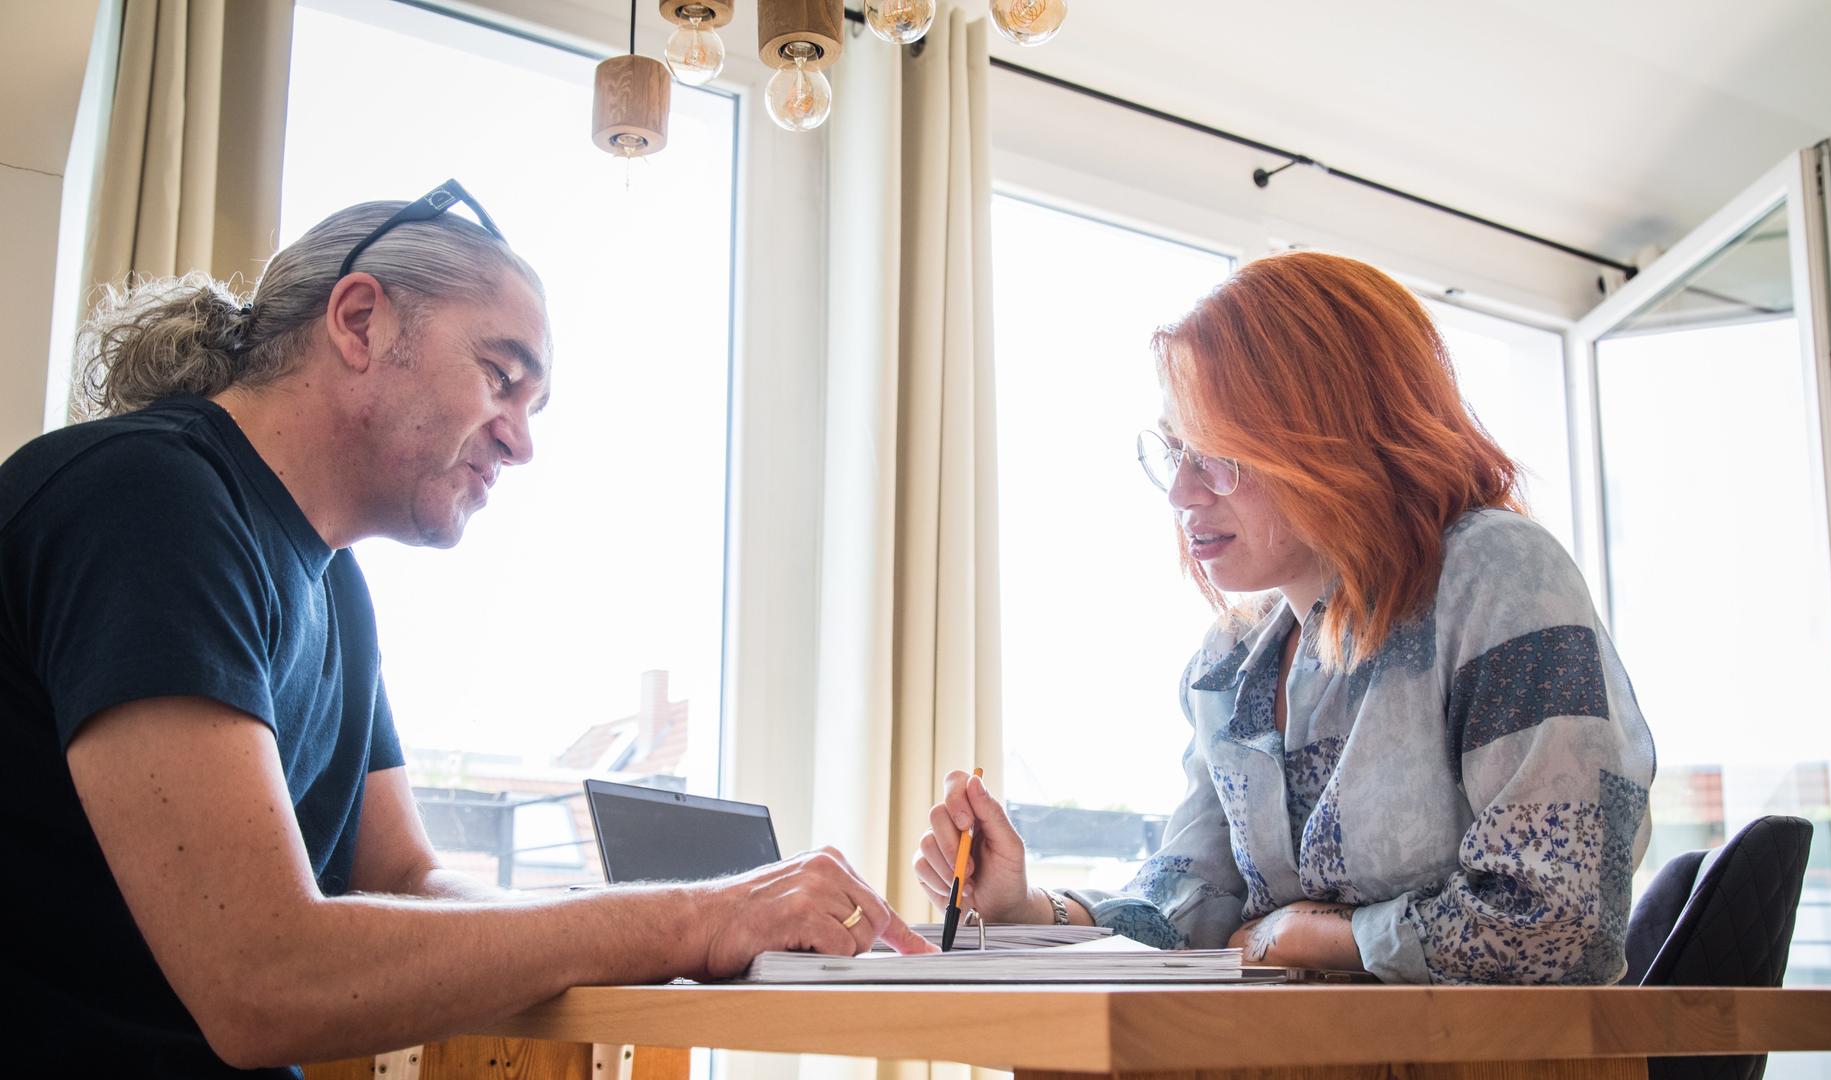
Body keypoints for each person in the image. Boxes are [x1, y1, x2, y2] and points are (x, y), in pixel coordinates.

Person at [0, 182, 928, 1078]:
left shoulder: (336, 590)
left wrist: (657, 914)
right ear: (360, 320)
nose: (521, 441)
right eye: (501, 377)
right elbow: (263, 974)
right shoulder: (146, 499)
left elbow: (408, 876)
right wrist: (691, 917)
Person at [916, 251, 1656, 985]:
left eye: (1212, 454)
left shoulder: (1496, 573)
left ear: (1331, 438)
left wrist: (1302, 936)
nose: (1179, 492)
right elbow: (1188, 910)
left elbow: (1559, 923)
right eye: (1174, 450)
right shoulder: (1227, 663)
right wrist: (1023, 908)